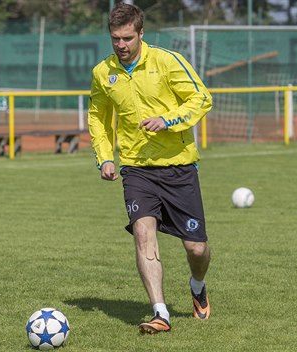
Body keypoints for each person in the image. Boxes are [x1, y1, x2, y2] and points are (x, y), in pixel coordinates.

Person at [88, 3, 213, 334]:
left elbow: (201, 98)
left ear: (141, 33)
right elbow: (98, 119)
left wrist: (168, 121)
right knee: (143, 233)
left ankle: (198, 286)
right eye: (115, 38)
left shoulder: (167, 61)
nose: (121, 45)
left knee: (197, 248)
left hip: (179, 167)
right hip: (137, 170)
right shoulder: (103, 73)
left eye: (128, 38)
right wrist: (105, 157)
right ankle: (160, 313)